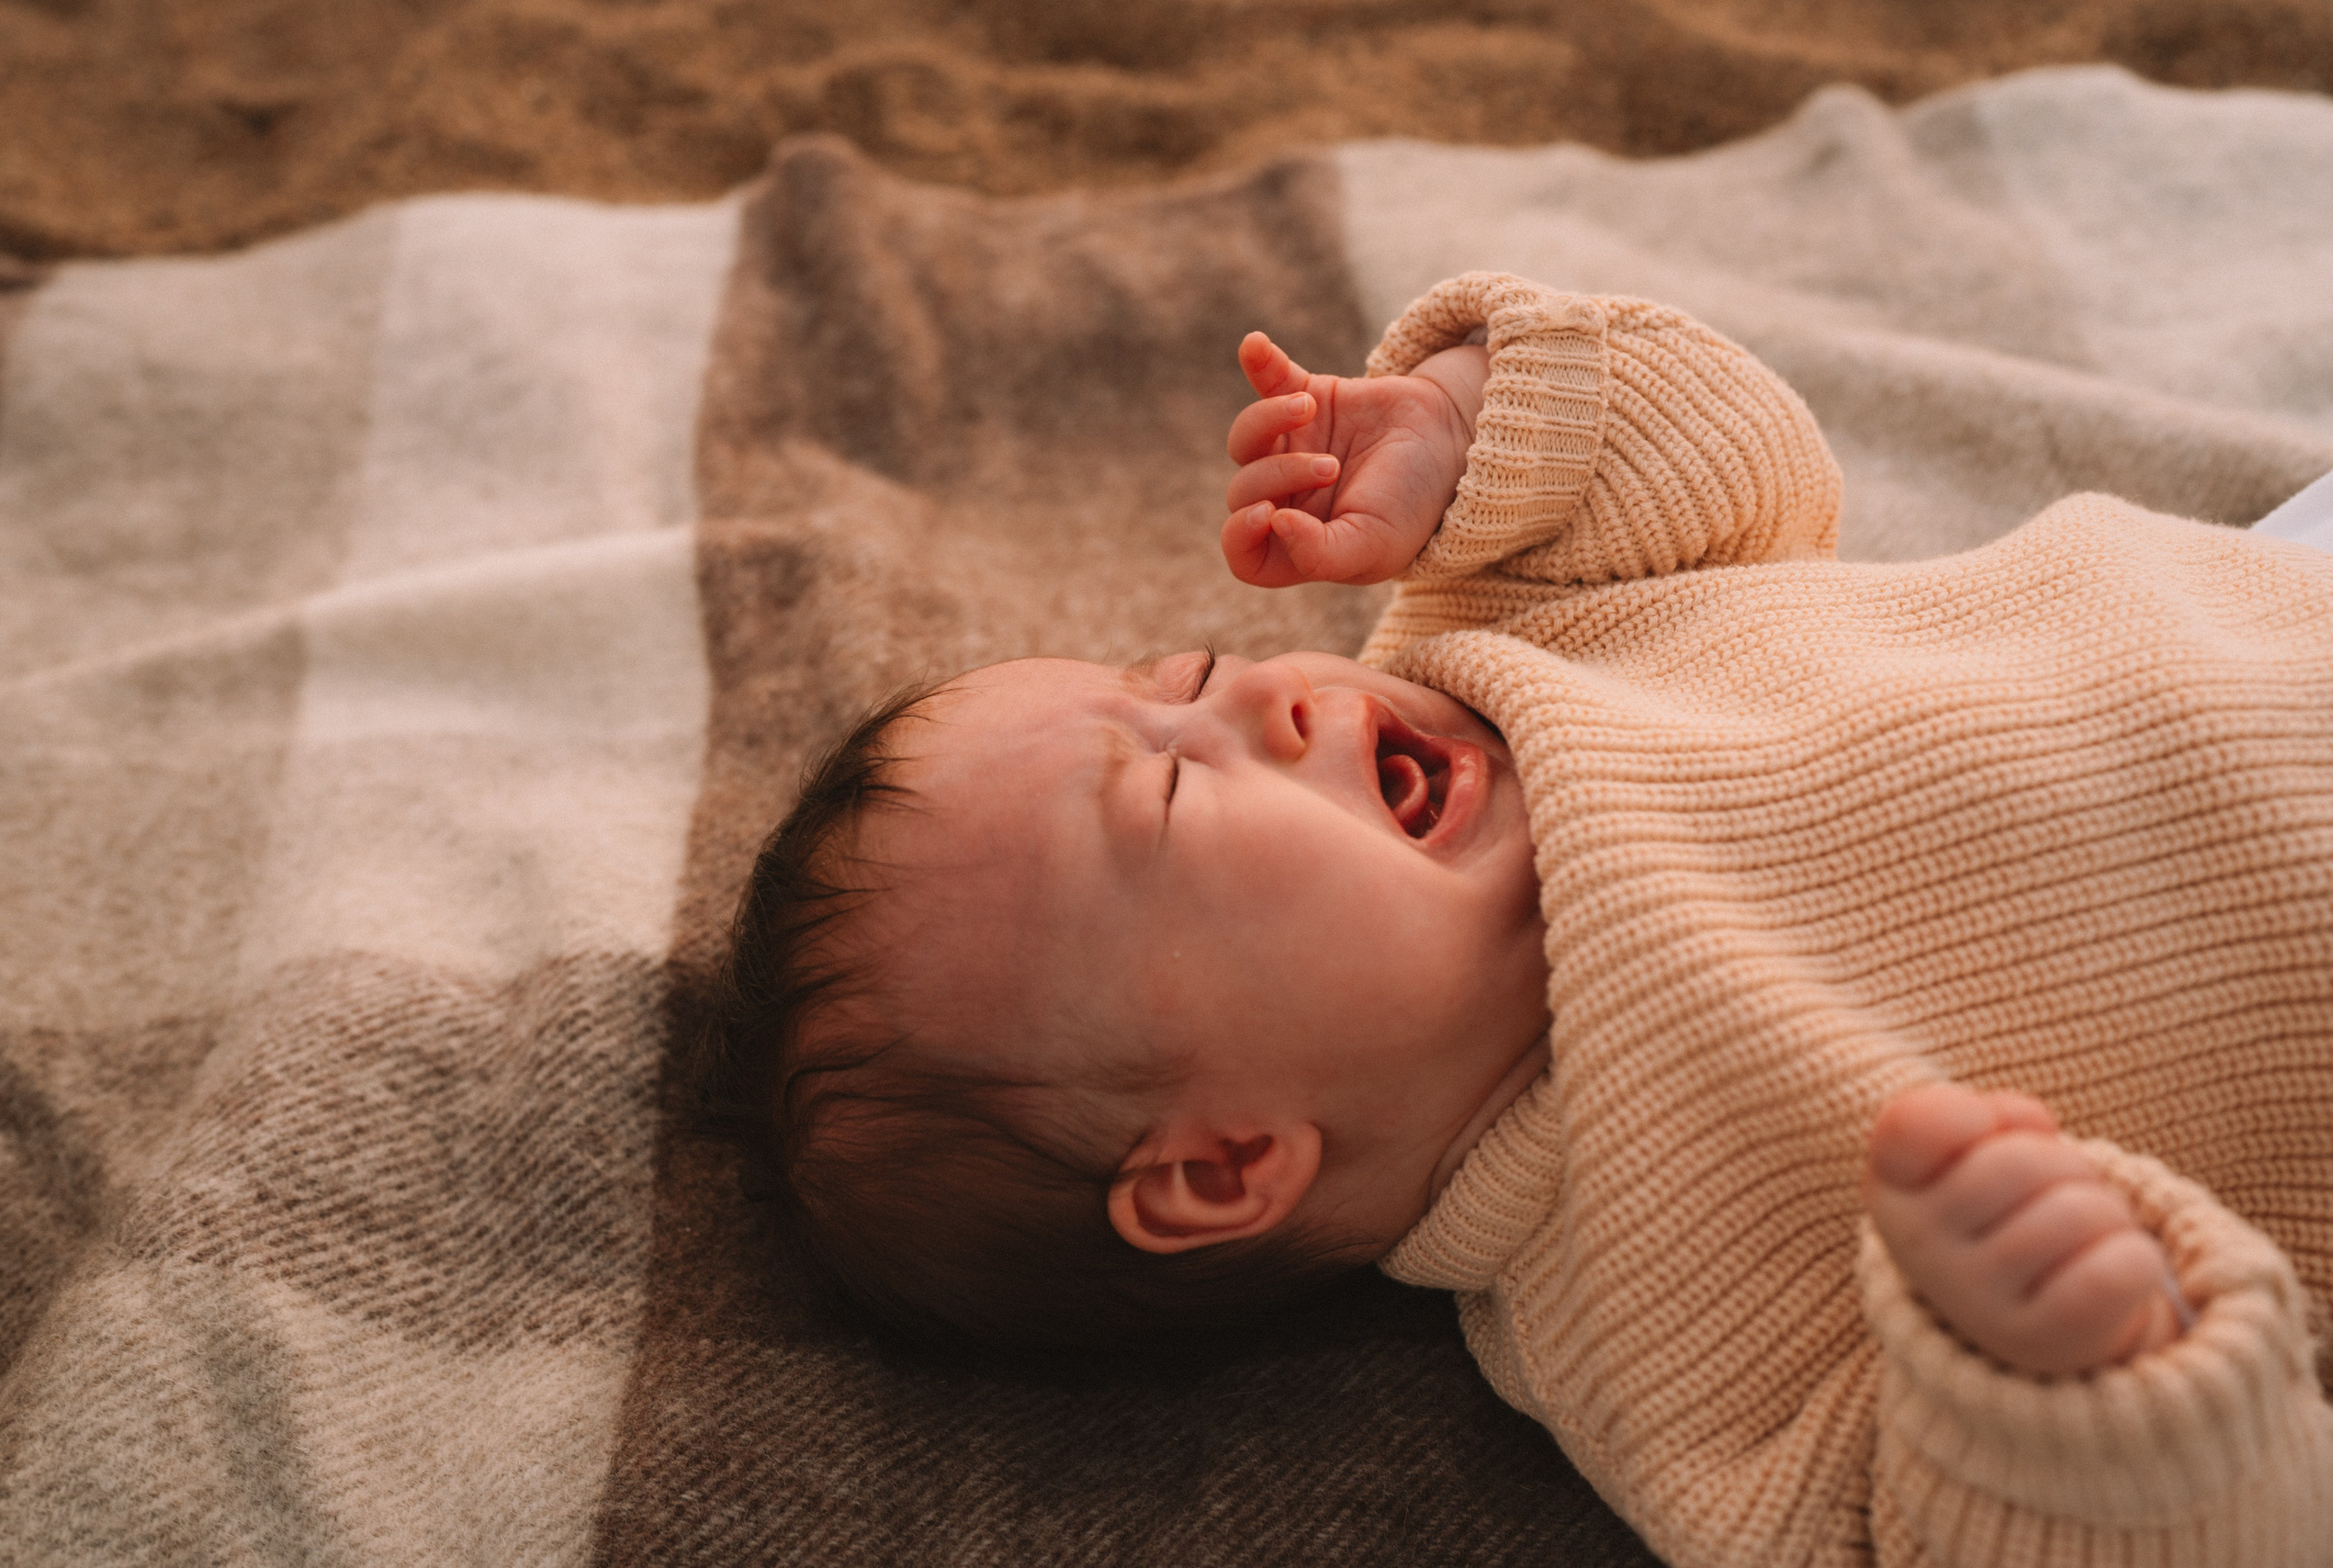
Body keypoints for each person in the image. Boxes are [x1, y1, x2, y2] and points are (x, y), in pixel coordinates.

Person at [707, 272, 2333, 1566]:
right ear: (1224, 1166)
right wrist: (2068, 1384)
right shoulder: (1644, 1304)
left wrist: (1457, 423)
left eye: (1187, 675)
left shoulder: (1499, 644)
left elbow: (1736, 459)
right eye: (1175, 798)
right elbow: (1914, 1533)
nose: (1269, 694)